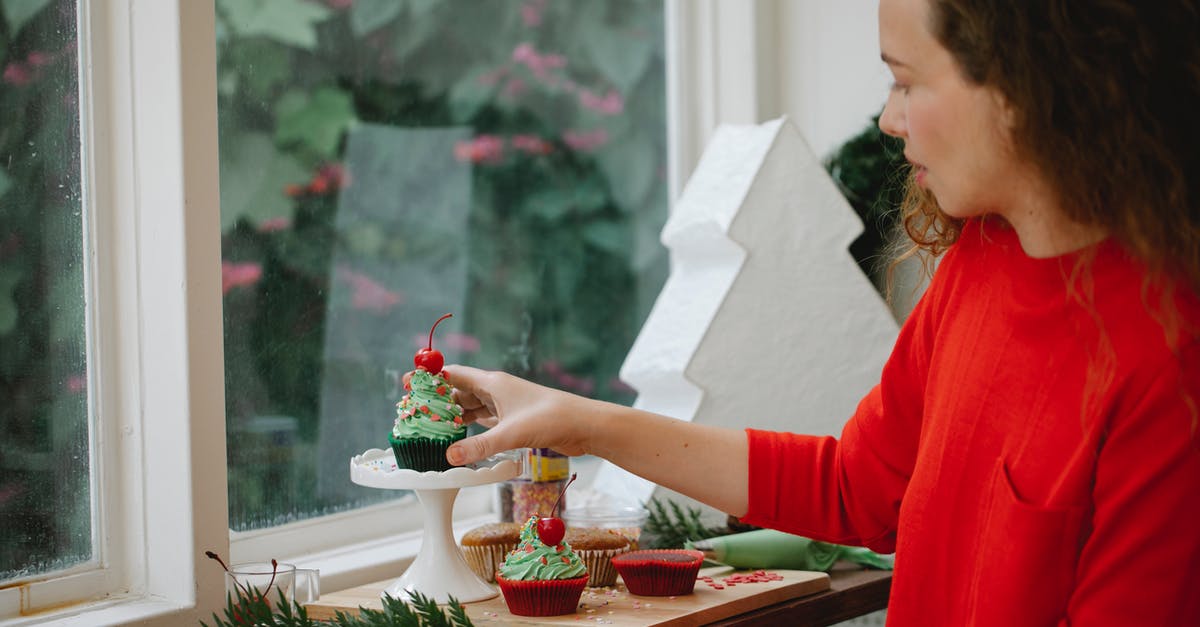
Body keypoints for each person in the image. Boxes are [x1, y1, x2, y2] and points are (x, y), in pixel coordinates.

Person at [436, 0, 1200, 624]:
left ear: (1024, 88)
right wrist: (581, 421)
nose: (889, 121)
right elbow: (855, 486)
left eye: (905, 81)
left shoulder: (1170, 363)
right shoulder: (981, 262)